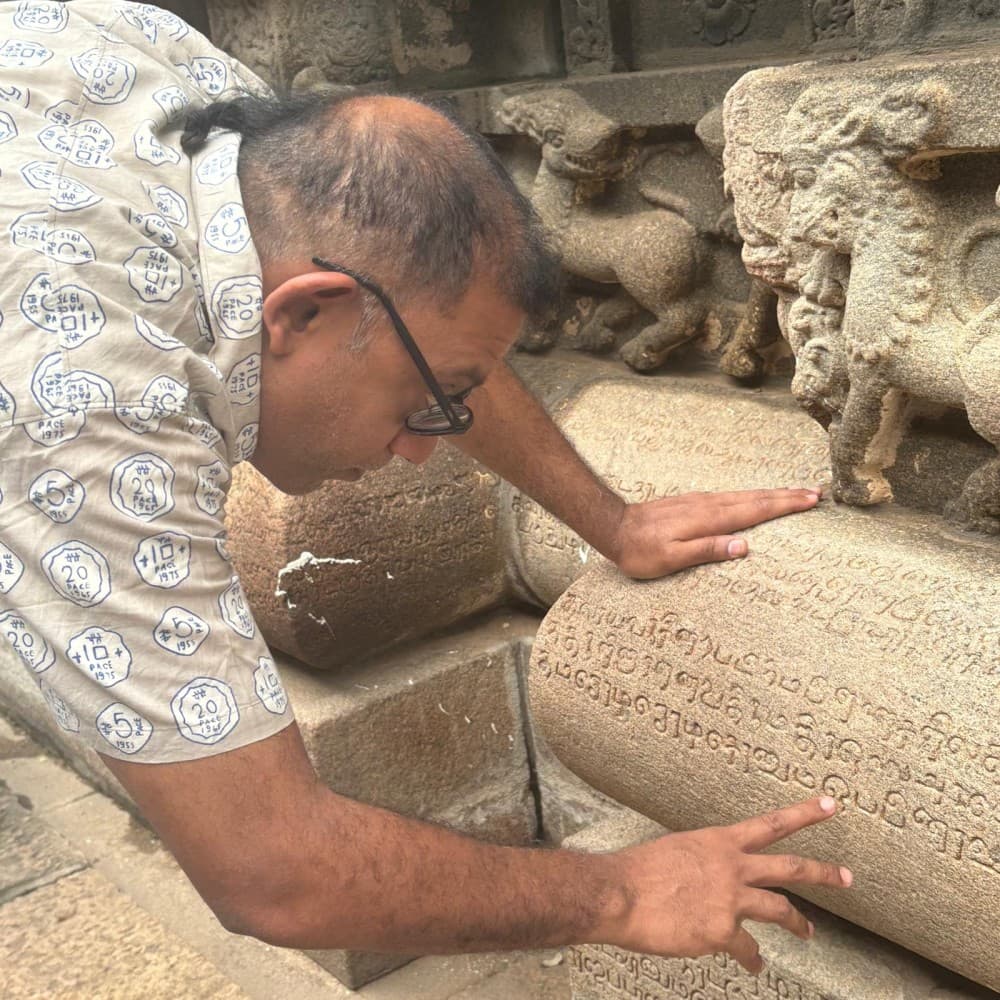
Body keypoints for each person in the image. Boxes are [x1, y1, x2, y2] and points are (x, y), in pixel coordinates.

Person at [0, 0, 850, 975]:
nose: (417, 453)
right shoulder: (88, 407)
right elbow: (270, 866)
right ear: (300, 316)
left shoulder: (192, 97)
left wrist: (611, 520)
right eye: (423, 407)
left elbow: (424, 322)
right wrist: (622, 889)